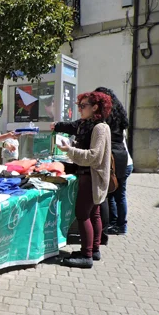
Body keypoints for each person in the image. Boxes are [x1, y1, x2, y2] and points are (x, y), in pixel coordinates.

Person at [53, 91, 112, 268]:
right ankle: (94, 250)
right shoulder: (88, 125)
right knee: (94, 213)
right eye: (79, 105)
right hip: (89, 176)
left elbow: (94, 156)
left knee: (83, 214)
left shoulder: (100, 128)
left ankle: (86, 255)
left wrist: (69, 150)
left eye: (83, 106)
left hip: (91, 177)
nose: (80, 109)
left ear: (95, 107)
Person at [95, 87, 133, 235]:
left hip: (118, 162)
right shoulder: (119, 118)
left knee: (116, 195)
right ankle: (115, 223)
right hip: (125, 161)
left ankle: (120, 226)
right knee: (114, 194)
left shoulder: (108, 122)